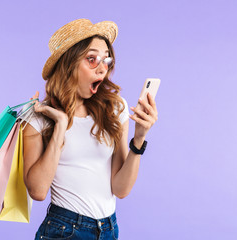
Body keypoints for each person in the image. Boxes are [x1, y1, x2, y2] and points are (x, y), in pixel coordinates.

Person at [23, 19, 158, 240]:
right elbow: (37, 191)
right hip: (64, 229)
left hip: (109, 229)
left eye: (106, 59)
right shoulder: (38, 116)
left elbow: (121, 189)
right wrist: (59, 127)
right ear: (69, 64)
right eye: (91, 59)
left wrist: (140, 138)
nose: (103, 68)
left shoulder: (115, 109)